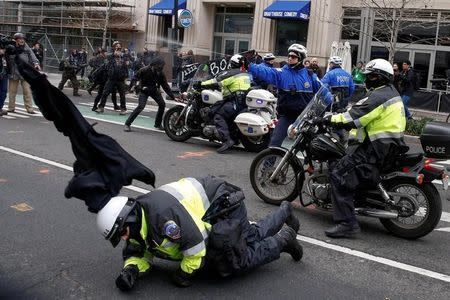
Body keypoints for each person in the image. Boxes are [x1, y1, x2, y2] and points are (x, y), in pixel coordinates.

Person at [96, 176, 302, 291]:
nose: (123, 238)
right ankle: (285, 212)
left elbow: (197, 247)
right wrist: (130, 270)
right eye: (118, 237)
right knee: (250, 236)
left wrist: (183, 274)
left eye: (122, 232)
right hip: (210, 206)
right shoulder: (137, 220)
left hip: (224, 204)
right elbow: (138, 249)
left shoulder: (164, 219)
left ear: (128, 219)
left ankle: (284, 239)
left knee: (234, 261)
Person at [315, 59, 406, 238]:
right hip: (386, 146)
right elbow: (364, 118)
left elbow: (354, 116)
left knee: (339, 174)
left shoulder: (378, 97)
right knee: (343, 162)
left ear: (380, 78)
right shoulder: (390, 93)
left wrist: (328, 118)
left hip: (375, 149)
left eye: (370, 76)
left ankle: (347, 223)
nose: (366, 79)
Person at [248, 44, 321, 147]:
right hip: (287, 116)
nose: (290, 58)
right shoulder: (282, 73)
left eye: (294, 57)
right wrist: (249, 65)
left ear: (301, 58)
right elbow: (266, 72)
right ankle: (268, 163)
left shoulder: (309, 75)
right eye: (289, 56)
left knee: (313, 145)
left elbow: (322, 89)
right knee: (274, 142)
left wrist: (331, 98)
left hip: (304, 118)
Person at [200, 54, 252, 153]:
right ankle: (233, 137)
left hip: (235, 101)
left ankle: (227, 141)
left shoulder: (230, 73)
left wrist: (201, 84)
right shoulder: (245, 73)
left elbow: (216, 80)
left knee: (218, 116)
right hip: (243, 102)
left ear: (231, 63)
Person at [124, 57, 176, 131]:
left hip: (154, 90)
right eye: (158, 67)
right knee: (141, 106)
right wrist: (135, 88)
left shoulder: (160, 73)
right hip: (144, 90)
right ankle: (127, 124)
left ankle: (157, 124)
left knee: (162, 104)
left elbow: (165, 85)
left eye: (161, 68)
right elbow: (134, 78)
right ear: (153, 65)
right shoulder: (144, 70)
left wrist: (172, 96)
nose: (159, 70)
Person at [6, 32, 40, 114]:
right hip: (14, 72)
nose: (22, 40)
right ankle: (11, 108)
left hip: (24, 72)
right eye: (20, 39)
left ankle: (29, 108)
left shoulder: (26, 47)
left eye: (23, 39)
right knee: (12, 91)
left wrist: (36, 63)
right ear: (16, 40)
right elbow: (7, 57)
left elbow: (32, 56)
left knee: (27, 91)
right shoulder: (11, 47)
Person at [95, 48, 128, 115]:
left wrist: (125, 79)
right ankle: (101, 107)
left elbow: (126, 71)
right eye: (116, 51)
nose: (118, 52)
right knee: (105, 93)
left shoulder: (123, 61)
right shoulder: (110, 60)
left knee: (122, 95)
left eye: (119, 51)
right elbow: (104, 67)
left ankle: (123, 109)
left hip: (120, 80)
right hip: (111, 79)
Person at [0, 48, 8, 116]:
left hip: (4, 74)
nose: (3, 50)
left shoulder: (5, 55)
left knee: (4, 91)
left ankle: (0, 108)